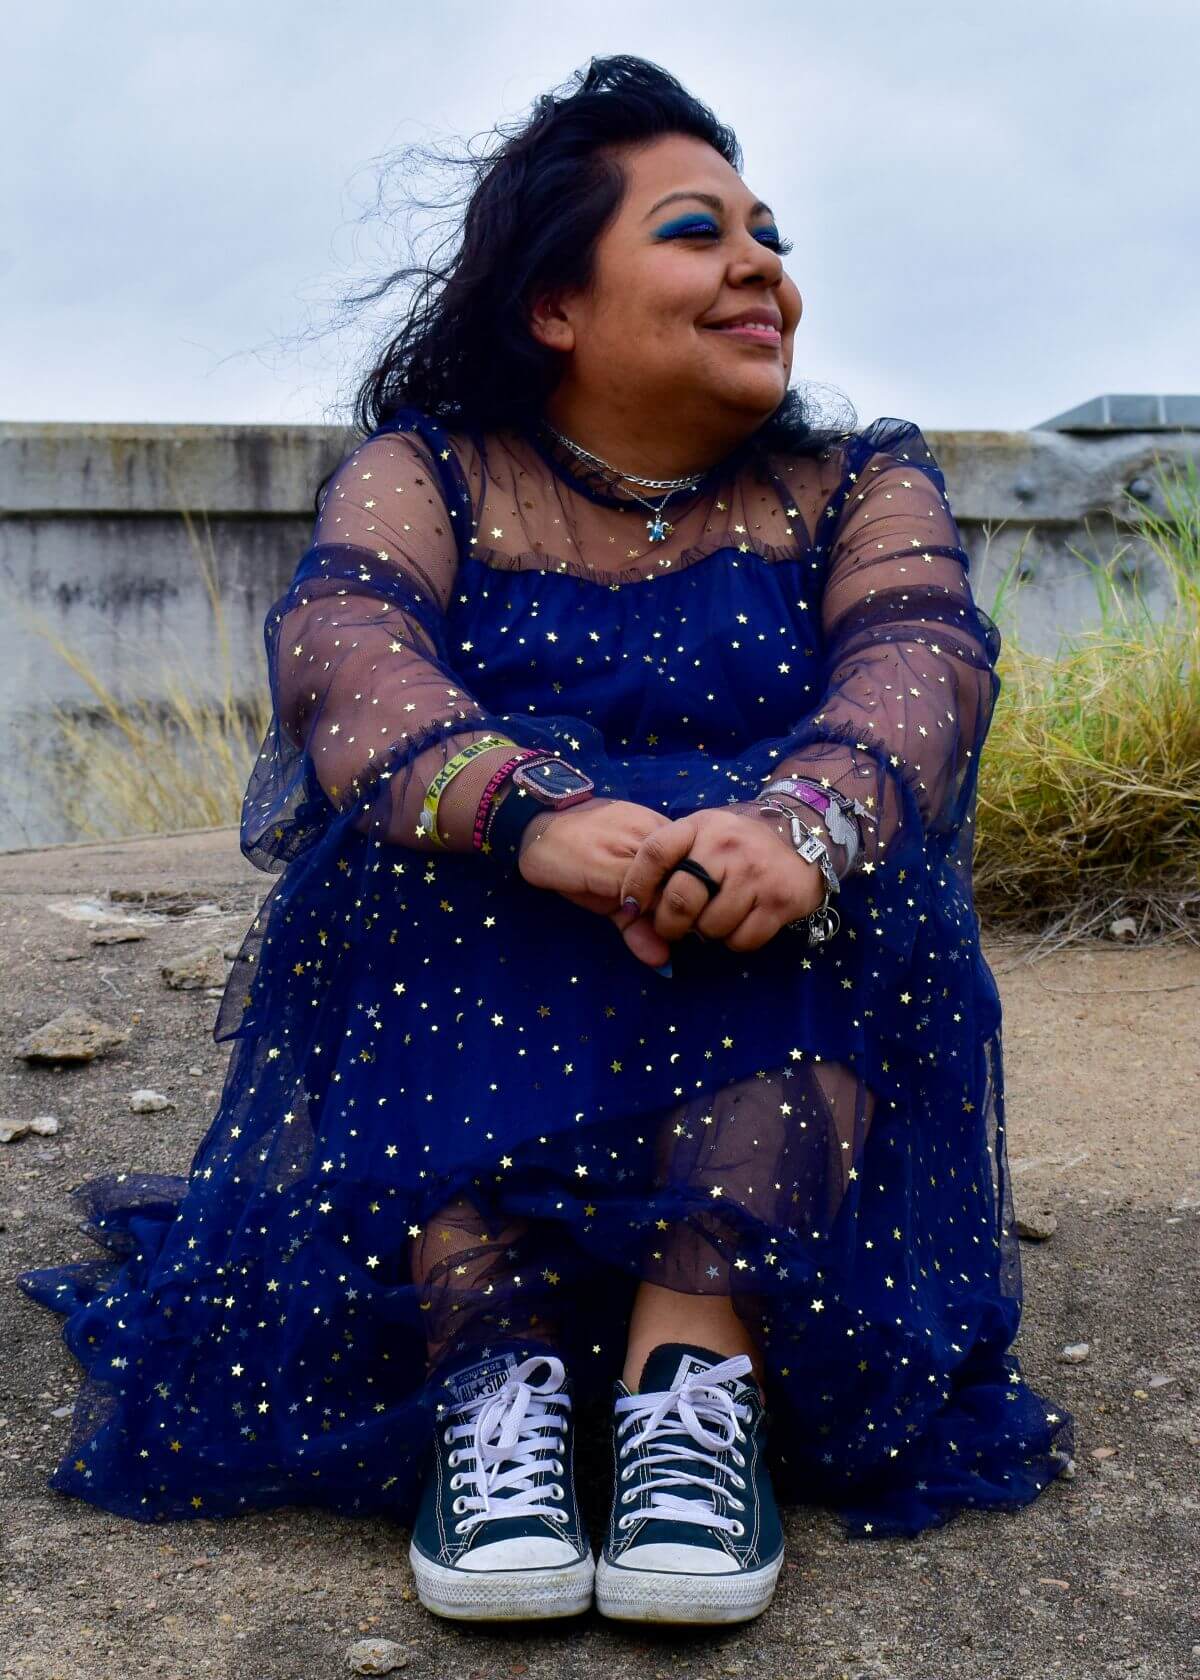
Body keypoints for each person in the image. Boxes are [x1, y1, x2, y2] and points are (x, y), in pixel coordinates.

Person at [17, 54, 1074, 1629]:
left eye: (770, 233)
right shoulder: (429, 472)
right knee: (391, 861)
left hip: (755, 1018)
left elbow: (921, 661)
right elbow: (345, 661)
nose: (763, 265)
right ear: (553, 307)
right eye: (699, 231)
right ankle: (492, 1376)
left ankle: (689, 1384)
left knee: (864, 890)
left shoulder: (855, 483)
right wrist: (532, 815)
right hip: (494, 1010)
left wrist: (802, 826)